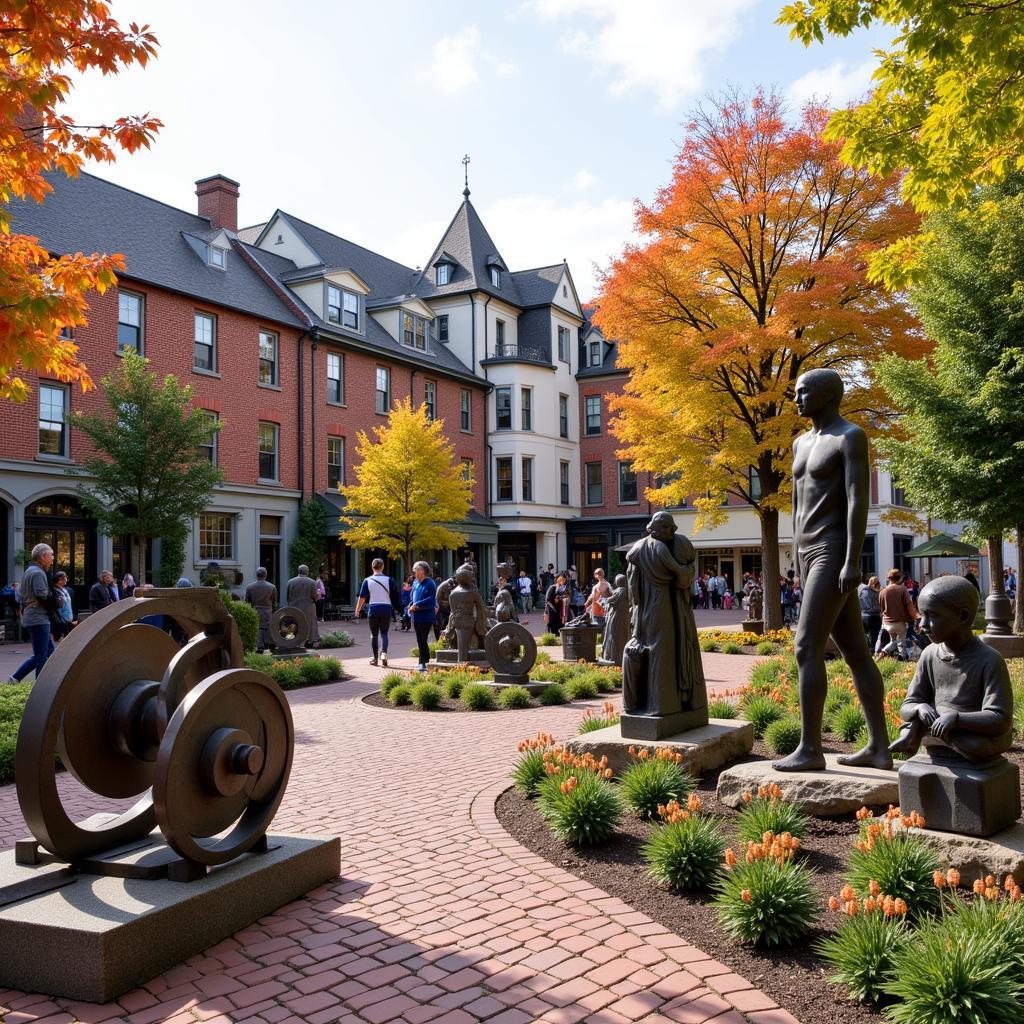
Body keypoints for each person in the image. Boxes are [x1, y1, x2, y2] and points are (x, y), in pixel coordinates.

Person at [774, 368, 892, 772]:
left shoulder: (850, 436)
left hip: (833, 549)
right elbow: (794, 504)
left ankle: (811, 749)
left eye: (803, 392)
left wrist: (852, 560)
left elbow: (858, 500)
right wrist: (794, 554)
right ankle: (879, 747)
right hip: (807, 553)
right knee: (856, 651)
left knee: (806, 646)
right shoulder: (799, 443)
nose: (796, 400)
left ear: (827, 394)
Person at [889, 576, 1013, 761]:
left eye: (932, 615)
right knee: (913, 723)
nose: (922, 625)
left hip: (972, 732)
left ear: (962, 616)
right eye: (922, 615)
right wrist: (920, 708)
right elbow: (907, 707)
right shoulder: (929, 654)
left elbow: (1000, 718)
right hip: (938, 724)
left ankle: (926, 737)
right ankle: (927, 736)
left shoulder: (989, 660)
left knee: (975, 745)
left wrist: (957, 719)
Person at [623, 512, 706, 724]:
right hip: (664, 608)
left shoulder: (638, 550)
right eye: (670, 527)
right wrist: (685, 571)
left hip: (648, 611)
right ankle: (663, 705)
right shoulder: (657, 548)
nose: (674, 530)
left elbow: (634, 590)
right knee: (663, 652)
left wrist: (636, 617)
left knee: (660, 650)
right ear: (659, 528)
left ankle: (661, 704)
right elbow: (681, 577)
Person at [8, 544, 56, 683]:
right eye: (51, 554)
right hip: (38, 618)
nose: (53, 558)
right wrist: (55, 603)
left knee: (47, 653)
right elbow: (42, 595)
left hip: (33, 616)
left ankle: (14, 679)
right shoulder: (37, 573)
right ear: (43, 557)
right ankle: (38, 688)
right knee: (41, 656)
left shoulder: (30, 570)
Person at [354, 558, 401, 667]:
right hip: (386, 608)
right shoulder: (389, 580)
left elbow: (362, 597)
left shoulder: (367, 580)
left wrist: (357, 610)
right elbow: (395, 595)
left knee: (374, 635)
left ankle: (374, 659)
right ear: (382, 567)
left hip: (373, 609)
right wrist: (399, 609)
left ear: (372, 567)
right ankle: (384, 654)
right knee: (384, 633)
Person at [878, 568, 918, 659]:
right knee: (901, 642)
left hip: (887, 623)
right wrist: (916, 616)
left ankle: (883, 652)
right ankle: (902, 658)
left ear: (889, 578)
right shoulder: (902, 589)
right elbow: (909, 604)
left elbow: (882, 608)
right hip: (900, 622)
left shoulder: (882, 591)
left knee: (893, 641)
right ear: (899, 578)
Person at [407, 560, 437, 671]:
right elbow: (411, 597)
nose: (414, 571)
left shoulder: (430, 583)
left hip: (426, 616)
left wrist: (416, 605)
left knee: (423, 639)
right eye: (414, 569)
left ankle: (423, 662)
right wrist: (409, 607)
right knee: (419, 639)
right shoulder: (415, 582)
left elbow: (431, 601)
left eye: (417, 569)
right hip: (416, 616)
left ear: (423, 570)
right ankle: (423, 660)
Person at [285, 564, 320, 647]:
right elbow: (315, 597)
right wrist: (318, 595)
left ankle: (294, 640)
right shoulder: (312, 582)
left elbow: (287, 597)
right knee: (309, 625)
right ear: (307, 572)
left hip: (294, 608)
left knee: (295, 624)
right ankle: (310, 640)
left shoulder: (290, 582)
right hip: (308, 608)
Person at [245, 567, 278, 654]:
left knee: (258, 628)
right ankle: (271, 644)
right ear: (266, 575)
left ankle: (260, 646)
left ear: (256, 575)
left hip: (255, 610)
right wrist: (274, 610)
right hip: (268, 610)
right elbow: (274, 601)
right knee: (268, 627)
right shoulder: (272, 587)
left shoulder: (250, 587)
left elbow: (246, 601)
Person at [859, 575, 882, 652]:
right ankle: (869, 652)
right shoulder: (865, 591)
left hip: (872, 616)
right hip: (868, 617)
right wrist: (879, 607)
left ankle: (870, 651)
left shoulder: (876, 590)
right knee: (871, 637)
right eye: (876, 584)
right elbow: (867, 606)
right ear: (871, 583)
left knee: (873, 637)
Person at [51, 571, 75, 641]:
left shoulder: (65, 590)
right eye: (65, 578)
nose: (66, 580)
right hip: (60, 620)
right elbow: (56, 606)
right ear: (59, 579)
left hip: (68, 619)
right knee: (61, 642)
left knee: (68, 640)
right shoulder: (54, 591)